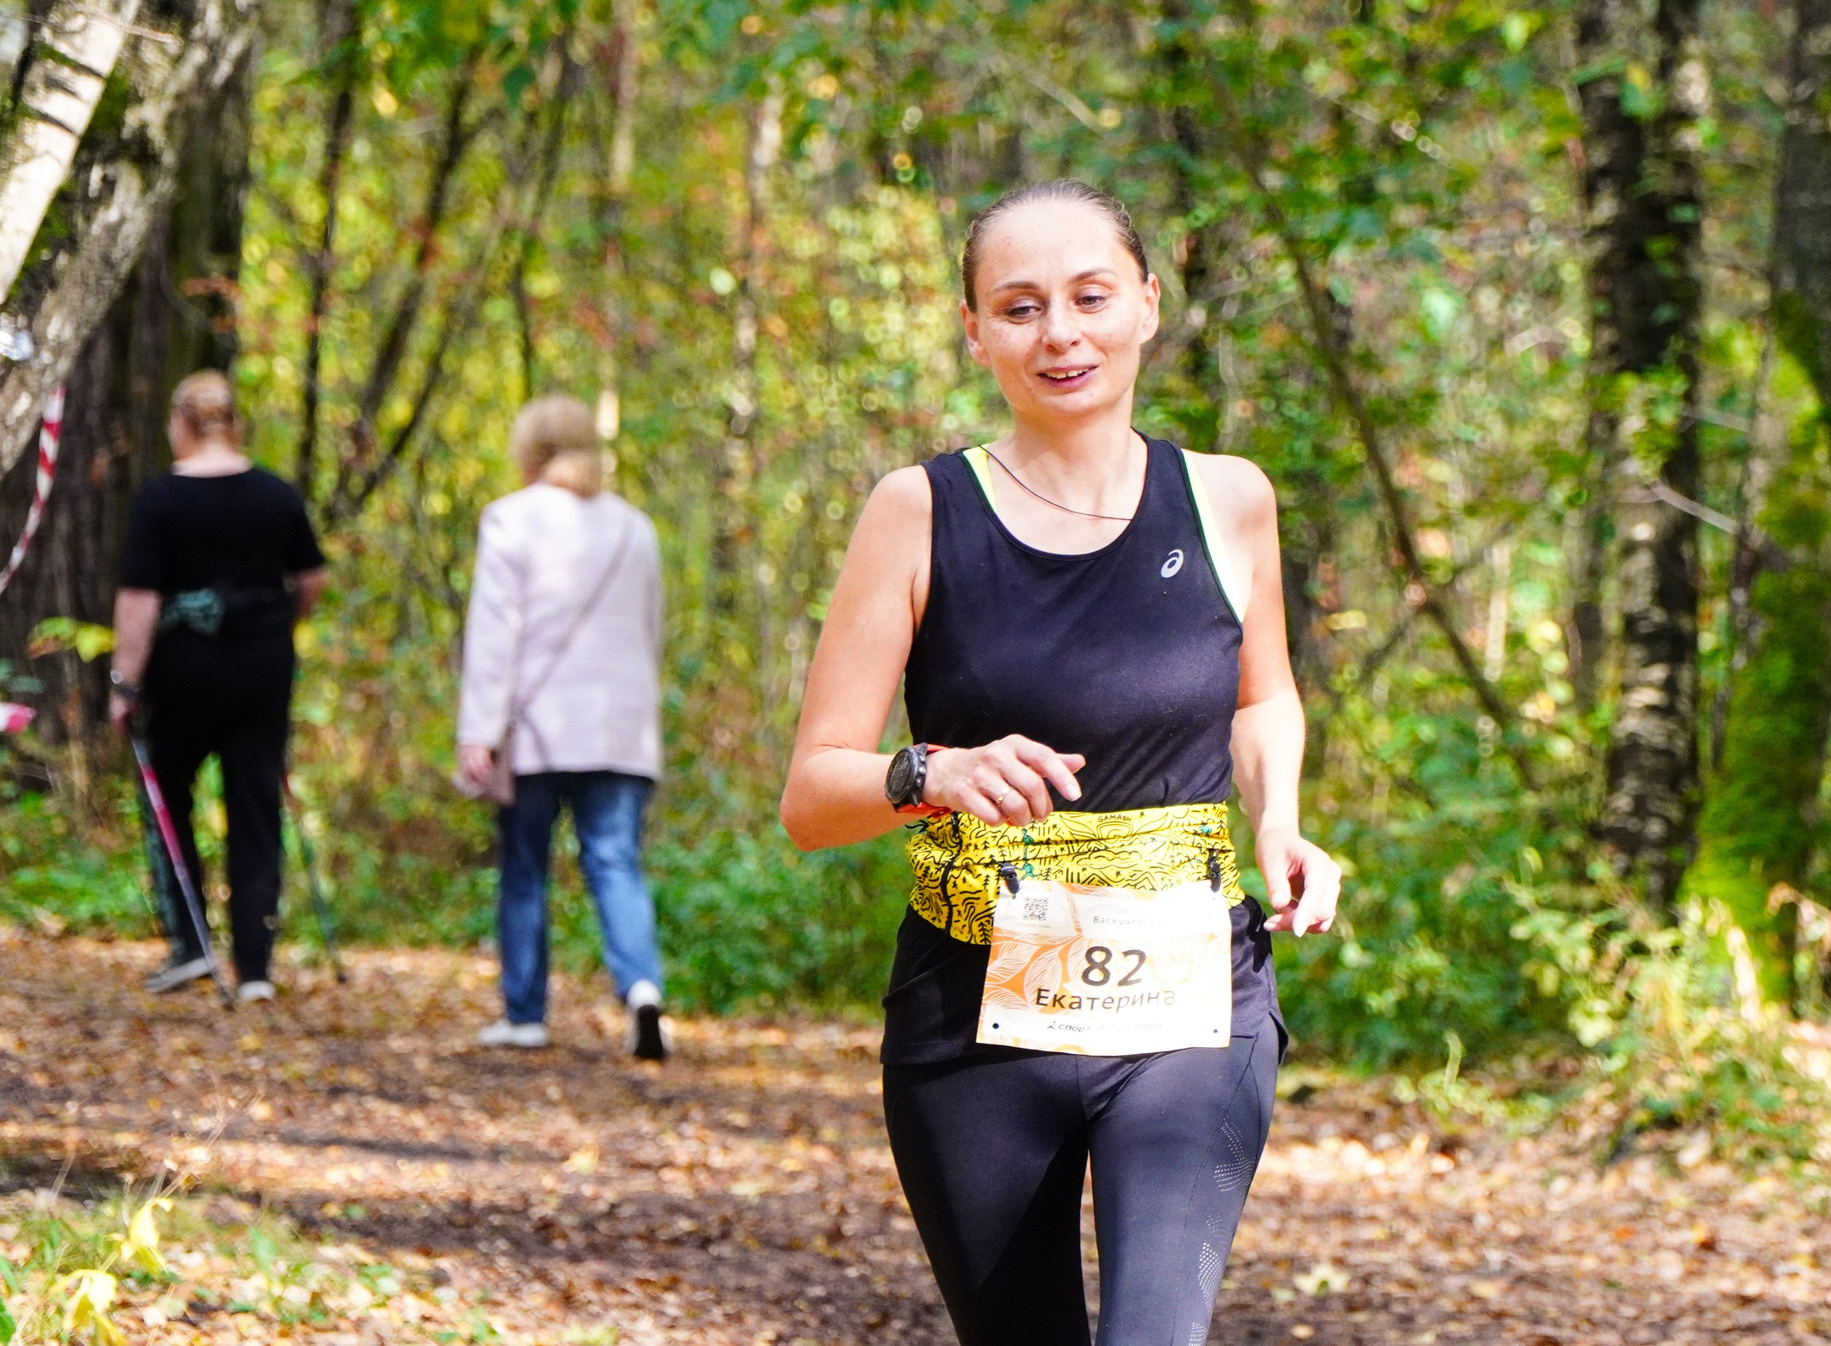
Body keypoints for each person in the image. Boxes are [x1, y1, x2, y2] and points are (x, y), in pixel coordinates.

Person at [780, 179, 1341, 1346]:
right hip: (974, 1009)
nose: (1062, 334)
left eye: (1090, 297)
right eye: (1021, 306)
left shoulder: (1230, 500)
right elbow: (811, 794)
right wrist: (925, 774)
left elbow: (1263, 695)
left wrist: (1280, 821)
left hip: (1188, 1000)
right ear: (975, 330)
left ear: (1146, 301)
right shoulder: (919, 510)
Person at [455, 395, 669, 1061]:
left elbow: (494, 635)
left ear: (530, 448)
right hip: (619, 732)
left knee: (524, 867)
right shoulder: (636, 529)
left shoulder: (509, 521)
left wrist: (478, 730)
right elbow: (651, 632)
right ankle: (641, 988)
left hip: (539, 729)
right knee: (615, 863)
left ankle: (525, 1014)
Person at [110, 370, 329, 1002]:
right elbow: (311, 580)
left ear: (181, 422)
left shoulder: (160, 501)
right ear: (234, 422)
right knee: (256, 807)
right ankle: (256, 967)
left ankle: (191, 942)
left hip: (182, 672)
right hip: (261, 669)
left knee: (167, 797)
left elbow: (140, 599)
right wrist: (275, 620)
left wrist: (125, 682)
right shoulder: (276, 495)